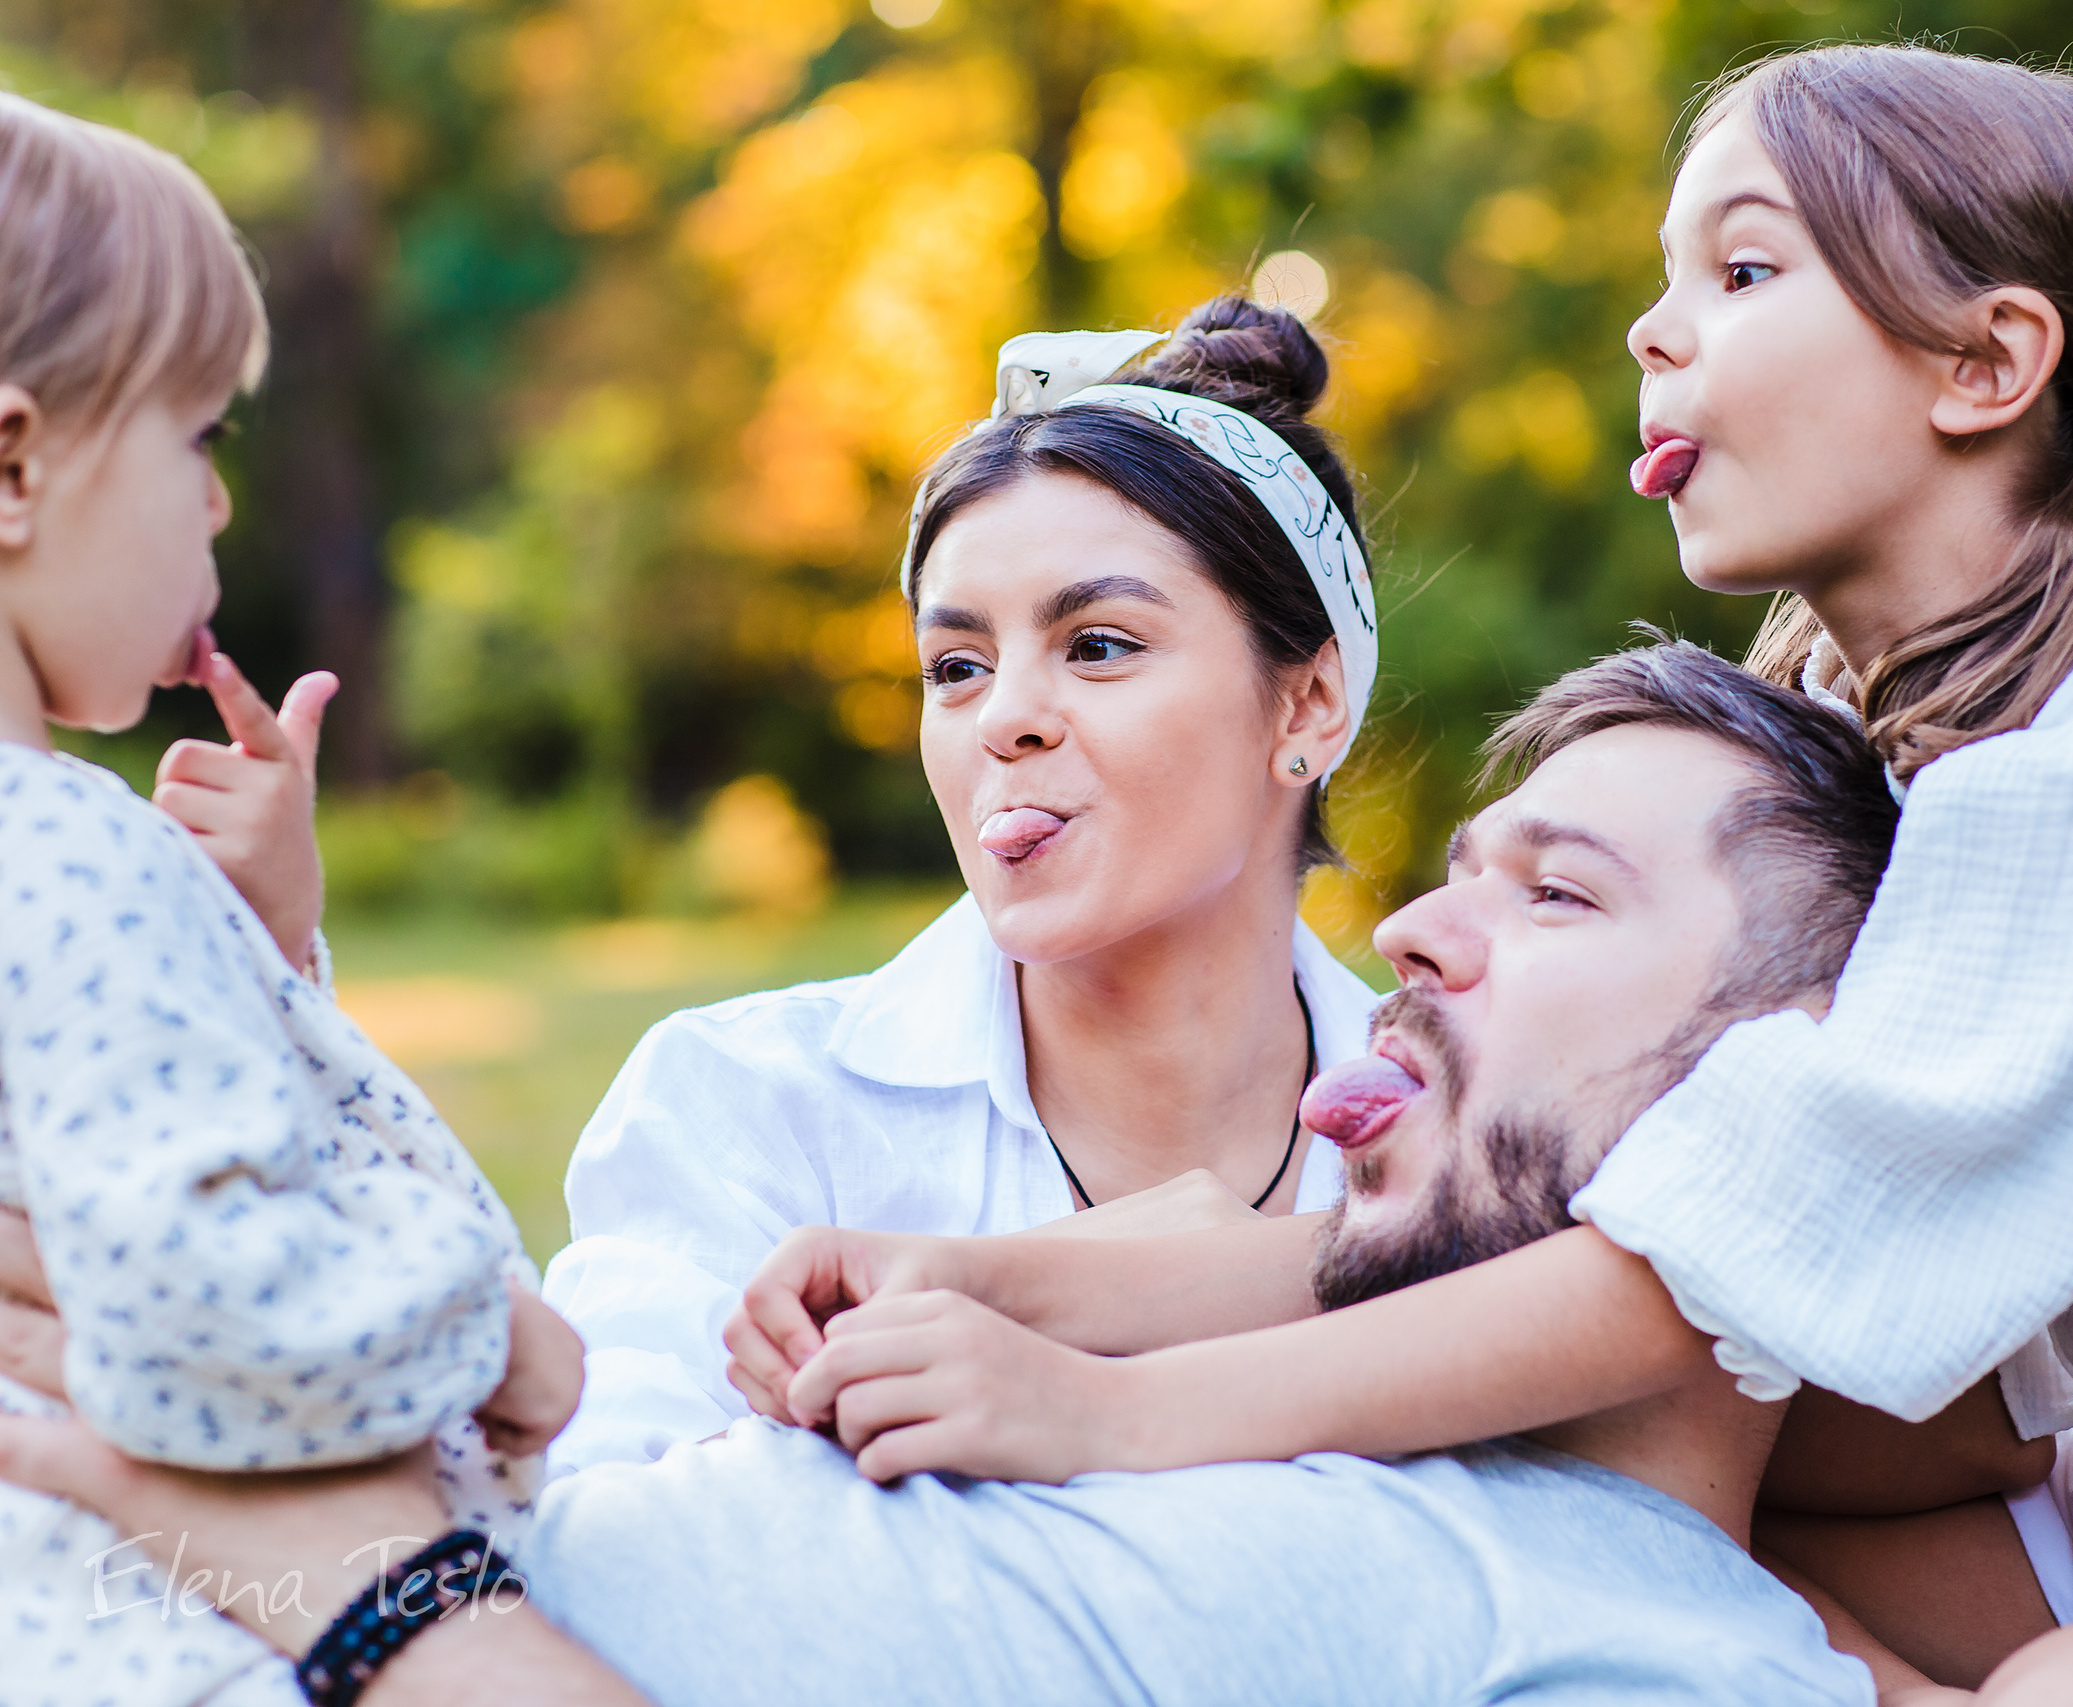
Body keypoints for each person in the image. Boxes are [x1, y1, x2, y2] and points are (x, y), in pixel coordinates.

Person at [728, 43, 2073, 1707]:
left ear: (1989, 362)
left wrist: (1117, 1416)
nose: (1654, 332)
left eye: (1745, 271)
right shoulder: (1852, 698)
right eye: (1670, 276)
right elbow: (1587, 1247)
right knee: (1649, 1512)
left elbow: (1680, 1277)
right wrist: (986, 1276)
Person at [0, 641, 1895, 1706]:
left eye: (1557, 893)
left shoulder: (1654, 1652)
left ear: (1800, 1098)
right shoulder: (1273, 1391)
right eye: (1460, 868)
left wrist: (367, 1589)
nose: (1408, 930)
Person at [539, 299, 1387, 1475]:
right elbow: (590, 1536)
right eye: (956, 668)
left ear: (1307, 705)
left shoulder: (1474, 1128)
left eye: (1097, 645)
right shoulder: (744, 1110)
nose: (1003, 719)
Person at [0, 93, 583, 1707]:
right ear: (11, 461)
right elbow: (212, 1306)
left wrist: (252, 951)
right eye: (197, 439)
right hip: (218, 1639)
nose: (219, 504)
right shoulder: (68, 850)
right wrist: (494, 1322)